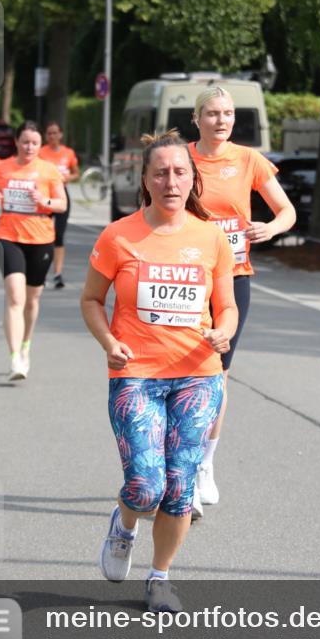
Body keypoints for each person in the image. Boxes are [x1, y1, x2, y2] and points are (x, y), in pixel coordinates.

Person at [80, 130, 238, 613]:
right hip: (137, 376)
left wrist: (224, 332)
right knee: (145, 484)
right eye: (161, 173)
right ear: (145, 180)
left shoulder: (210, 237)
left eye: (180, 172)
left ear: (193, 180)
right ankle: (124, 526)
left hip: (197, 375)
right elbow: (90, 300)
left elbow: (227, 307)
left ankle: (160, 577)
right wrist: (109, 341)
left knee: (180, 486)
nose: (171, 181)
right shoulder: (118, 235)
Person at [188, 86, 296, 516]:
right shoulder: (181, 160)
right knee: (189, 369)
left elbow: (286, 211)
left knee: (217, 374)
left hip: (233, 279)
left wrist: (270, 229)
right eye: (212, 113)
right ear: (197, 119)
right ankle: (185, 465)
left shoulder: (248, 159)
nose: (221, 120)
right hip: (186, 277)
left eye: (228, 113)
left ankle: (204, 466)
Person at [0, 120, 67, 381]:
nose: (29, 146)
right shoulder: (2, 168)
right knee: (14, 298)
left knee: (31, 301)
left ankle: (25, 345)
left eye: (34, 142)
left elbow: (61, 205)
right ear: (16, 142)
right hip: (7, 236)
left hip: (41, 238)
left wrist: (43, 201)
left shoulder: (49, 170)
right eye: (25, 142)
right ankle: (15, 360)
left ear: (40, 144)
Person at [38, 121, 79, 288]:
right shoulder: (41, 153)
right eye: (49, 133)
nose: (52, 136)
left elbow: (76, 173)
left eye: (55, 133)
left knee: (59, 236)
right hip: (45, 196)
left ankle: (57, 274)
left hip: (62, 195)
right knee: (43, 235)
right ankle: (40, 269)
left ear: (61, 134)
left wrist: (66, 178)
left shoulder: (68, 153)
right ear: (45, 136)